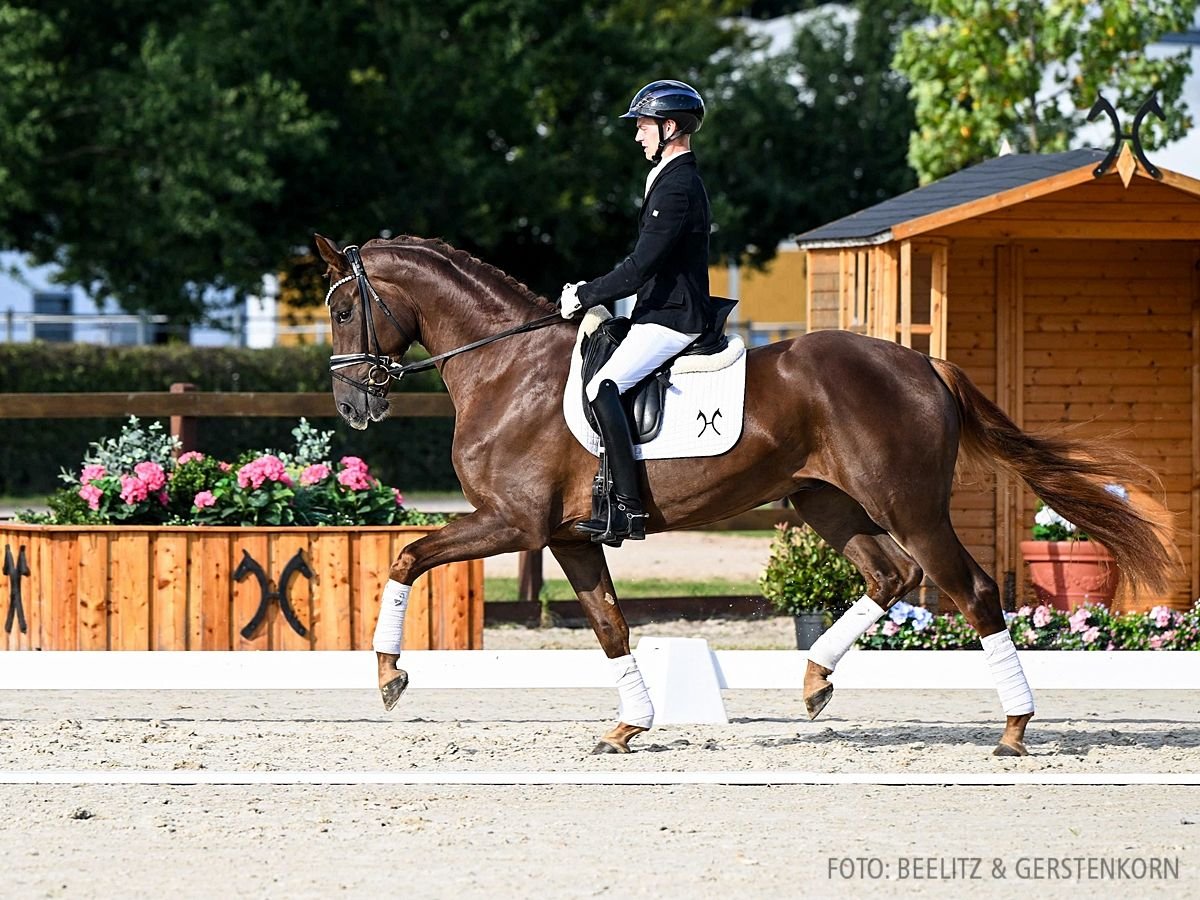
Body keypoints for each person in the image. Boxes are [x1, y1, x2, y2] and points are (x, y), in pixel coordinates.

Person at [559, 79, 717, 544]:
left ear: (669, 127)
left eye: (644, 125)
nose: (637, 135)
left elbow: (639, 268)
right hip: (658, 309)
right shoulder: (669, 179)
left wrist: (586, 294)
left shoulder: (678, 186)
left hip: (674, 316)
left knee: (602, 385)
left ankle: (628, 509)